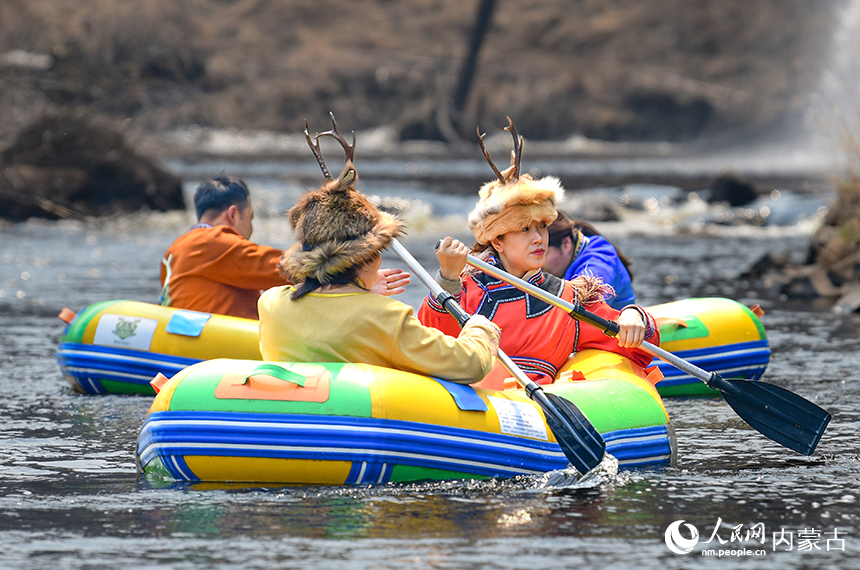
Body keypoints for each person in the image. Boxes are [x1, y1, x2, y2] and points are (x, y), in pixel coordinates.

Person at [258, 117, 500, 384]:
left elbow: (329, 312)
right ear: (366, 257)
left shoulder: (271, 303)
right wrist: (481, 327)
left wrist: (361, 292)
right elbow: (470, 365)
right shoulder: (385, 316)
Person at [418, 118, 658, 385]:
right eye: (523, 229)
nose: (539, 239)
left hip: (530, 409)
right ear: (497, 241)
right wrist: (447, 280)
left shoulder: (568, 300)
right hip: (466, 404)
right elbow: (428, 345)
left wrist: (634, 315)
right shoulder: (467, 290)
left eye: (542, 226)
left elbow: (641, 347)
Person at [160, 175, 409, 320]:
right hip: (216, 346)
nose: (251, 229)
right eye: (251, 218)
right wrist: (354, 277)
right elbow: (284, 268)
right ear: (234, 214)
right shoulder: (213, 243)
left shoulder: (176, 248)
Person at [544, 212, 636, 310]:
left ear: (566, 244)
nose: (538, 263)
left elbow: (579, 314)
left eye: (543, 253)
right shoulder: (579, 248)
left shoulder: (599, 265)